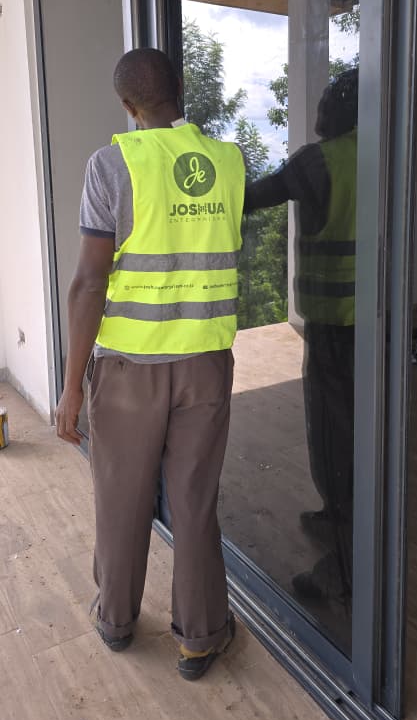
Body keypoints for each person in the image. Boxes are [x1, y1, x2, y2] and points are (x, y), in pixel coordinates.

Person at [55, 47, 245, 681]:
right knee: (194, 502)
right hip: (205, 364)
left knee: (121, 497)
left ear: (127, 105)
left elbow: (89, 282)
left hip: (129, 370)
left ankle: (116, 620)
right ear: (180, 91)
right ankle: (200, 639)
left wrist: (70, 388)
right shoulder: (228, 161)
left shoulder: (112, 165)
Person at [245, 67, 357, 604]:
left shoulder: (319, 161)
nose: (319, 111)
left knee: (335, 434)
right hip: (377, 321)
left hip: (335, 321)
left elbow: (254, 197)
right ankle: (337, 514)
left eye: (327, 101)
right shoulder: (383, 153)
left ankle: (343, 569)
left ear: (339, 109)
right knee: (363, 428)